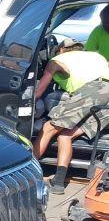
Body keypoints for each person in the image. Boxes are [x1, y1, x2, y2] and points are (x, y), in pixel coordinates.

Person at [32, 40, 109, 193]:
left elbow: (40, 91)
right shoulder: (95, 56)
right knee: (66, 135)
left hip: (94, 91)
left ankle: (28, 173)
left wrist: (28, 102)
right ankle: (58, 182)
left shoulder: (57, 61)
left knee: (48, 128)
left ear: (61, 50)